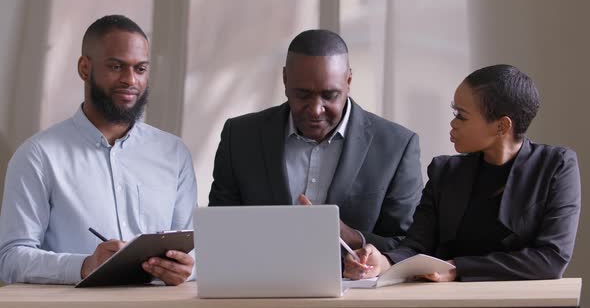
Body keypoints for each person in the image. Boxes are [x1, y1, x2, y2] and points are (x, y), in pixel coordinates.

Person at [0, 15, 197, 285]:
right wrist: (84, 265)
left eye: (140, 69)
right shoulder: (37, 156)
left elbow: (194, 253)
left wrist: (187, 268)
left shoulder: (174, 154)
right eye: (116, 66)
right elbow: (10, 260)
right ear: (84, 68)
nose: (130, 80)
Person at [344, 64, 581, 281]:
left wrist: (459, 268)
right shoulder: (445, 172)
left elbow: (551, 260)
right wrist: (384, 262)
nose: (453, 123)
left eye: (461, 115)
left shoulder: (556, 166)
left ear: (502, 126)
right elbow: (416, 247)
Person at [209, 29, 423, 251]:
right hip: (256, 282)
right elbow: (217, 231)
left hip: (355, 284)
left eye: (329, 96)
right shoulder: (240, 137)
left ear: (348, 80)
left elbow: (408, 245)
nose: (315, 110)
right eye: (303, 95)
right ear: (284, 79)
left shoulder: (397, 147)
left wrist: (353, 237)